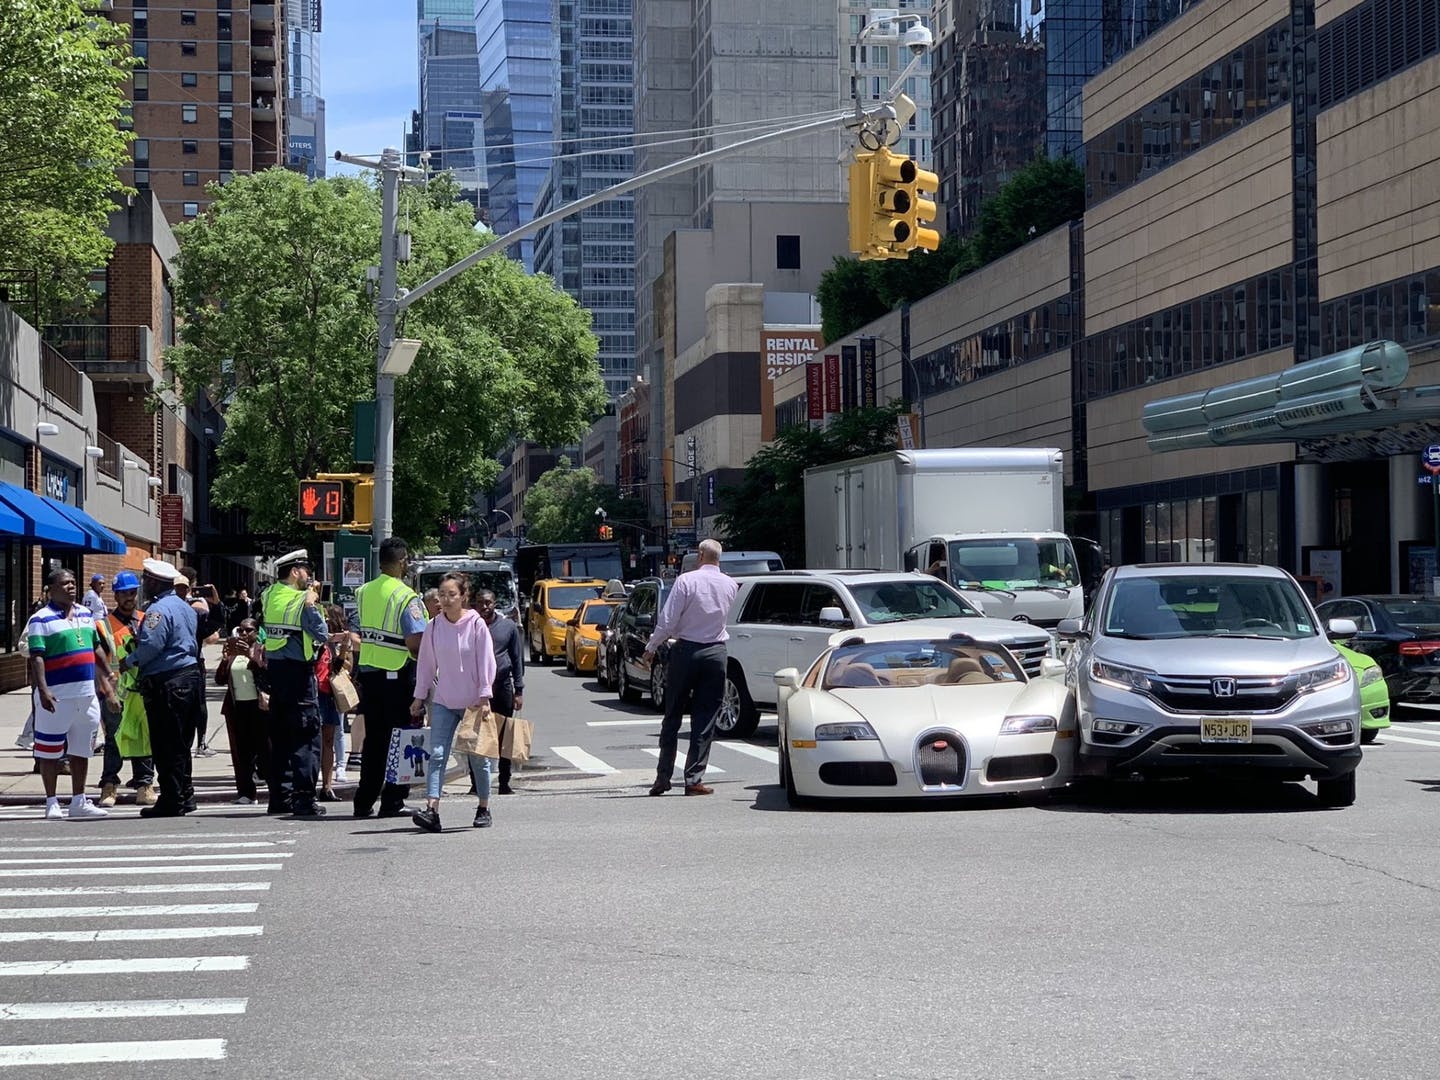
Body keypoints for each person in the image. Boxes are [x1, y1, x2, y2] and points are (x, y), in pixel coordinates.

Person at [644, 538, 739, 797]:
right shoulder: (731, 585)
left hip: (686, 650)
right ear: (719, 558)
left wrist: (652, 646)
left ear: (700, 555)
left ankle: (663, 778)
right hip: (716, 652)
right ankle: (694, 779)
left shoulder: (686, 581)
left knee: (672, 715)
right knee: (705, 718)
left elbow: (667, 619)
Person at [409, 573, 496, 832]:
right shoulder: (434, 626)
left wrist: (485, 696)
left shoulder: (476, 624)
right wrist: (419, 696)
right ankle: (432, 810)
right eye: (441, 595)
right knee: (436, 755)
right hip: (445, 700)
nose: (445, 600)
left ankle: (483, 807)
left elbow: (485, 661)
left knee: (477, 758)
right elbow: (426, 665)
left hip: (473, 702)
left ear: (463, 596)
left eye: (451, 595)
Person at [28, 568, 117, 820]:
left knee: (82, 749)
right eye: (65, 583)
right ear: (51, 589)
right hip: (56, 696)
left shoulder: (86, 613)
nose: (71, 587)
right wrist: (43, 690)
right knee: (49, 751)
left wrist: (107, 673)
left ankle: (79, 800)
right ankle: (52, 802)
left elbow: (95, 647)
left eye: (73, 583)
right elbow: (36, 657)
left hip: (86, 695)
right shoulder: (40, 619)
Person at [350, 537, 427, 819]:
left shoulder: (364, 591)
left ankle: (364, 800)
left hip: (370, 676)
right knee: (401, 740)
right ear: (403, 561)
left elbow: (357, 633)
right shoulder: (406, 596)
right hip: (398, 675)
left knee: (375, 742)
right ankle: (393, 800)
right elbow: (416, 643)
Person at [117, 560, 201, 818]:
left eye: (146, 580)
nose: (144, 584)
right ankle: (185, 795)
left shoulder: (157, 610)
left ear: (155, 582)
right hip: (190, 677)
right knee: (182, 743)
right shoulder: (184, 606)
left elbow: (151, 647)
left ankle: (172, 799)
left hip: (168, 682)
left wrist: (128, 661)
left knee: (166, 744)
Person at [259, 549, 329, 818]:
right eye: (306, 571)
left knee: (281, 738)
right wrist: (312, 603)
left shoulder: (269, 595)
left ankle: (280, 797)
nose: (309, 576)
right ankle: (303, 800)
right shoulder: (301, 600)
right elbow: (320, 633)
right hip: (299, 673)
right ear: (295, 572)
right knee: (305, 737)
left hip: (277, 673)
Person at [97, 570, 157, 808]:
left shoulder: (146, 620)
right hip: (116, 693)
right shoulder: (103, 626)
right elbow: (99, 665)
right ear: (115, 596)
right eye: (123, 594)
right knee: (114, 740)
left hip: (142, 692)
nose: (128, 597)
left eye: (132, 592)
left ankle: (144, 784)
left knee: (145, 738)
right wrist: (108, 693)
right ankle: (109, 785)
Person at [474, 587, 524, 795]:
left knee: (504, 736)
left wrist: (519, 690)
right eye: (480, 603)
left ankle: (504, 782)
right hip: (475, 690)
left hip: (502, 686)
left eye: (488, 602)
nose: (484, 607)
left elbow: (517, 659)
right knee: (476, 737)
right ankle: (476, 784)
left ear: (494, 603)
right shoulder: (470, 626)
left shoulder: (508, 627)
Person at [216, 619, 269, 805]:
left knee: (264, 750)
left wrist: (251, 656)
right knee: (242, 752)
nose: (244, 634)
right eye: (241, 630)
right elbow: (220, 679)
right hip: (237, 707)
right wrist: (224, 660)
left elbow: (266, 673)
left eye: (249, 630)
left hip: (258, 707)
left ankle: (275, 788)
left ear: (257, 632)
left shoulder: (261, 650)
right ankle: (246, 792)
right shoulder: (233, 653)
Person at [316, 605, 353, 800]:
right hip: (313, 694)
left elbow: (337, 667)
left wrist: (344, 646)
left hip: (328, 693)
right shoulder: (314, 642)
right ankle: (312, 782)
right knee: (314, 741)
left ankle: (327, 786)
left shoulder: (330, 646)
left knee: (329, 739)